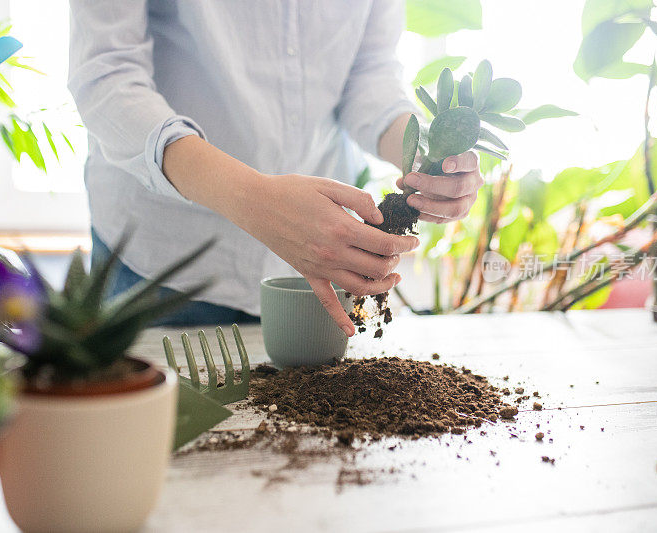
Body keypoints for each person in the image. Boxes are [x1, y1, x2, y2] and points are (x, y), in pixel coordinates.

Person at [68, 1, 482, 336]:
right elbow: (108, 75)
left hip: (315, 255)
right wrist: (257, 201)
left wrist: (429, 155)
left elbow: (367, 74)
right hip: (166, 260)